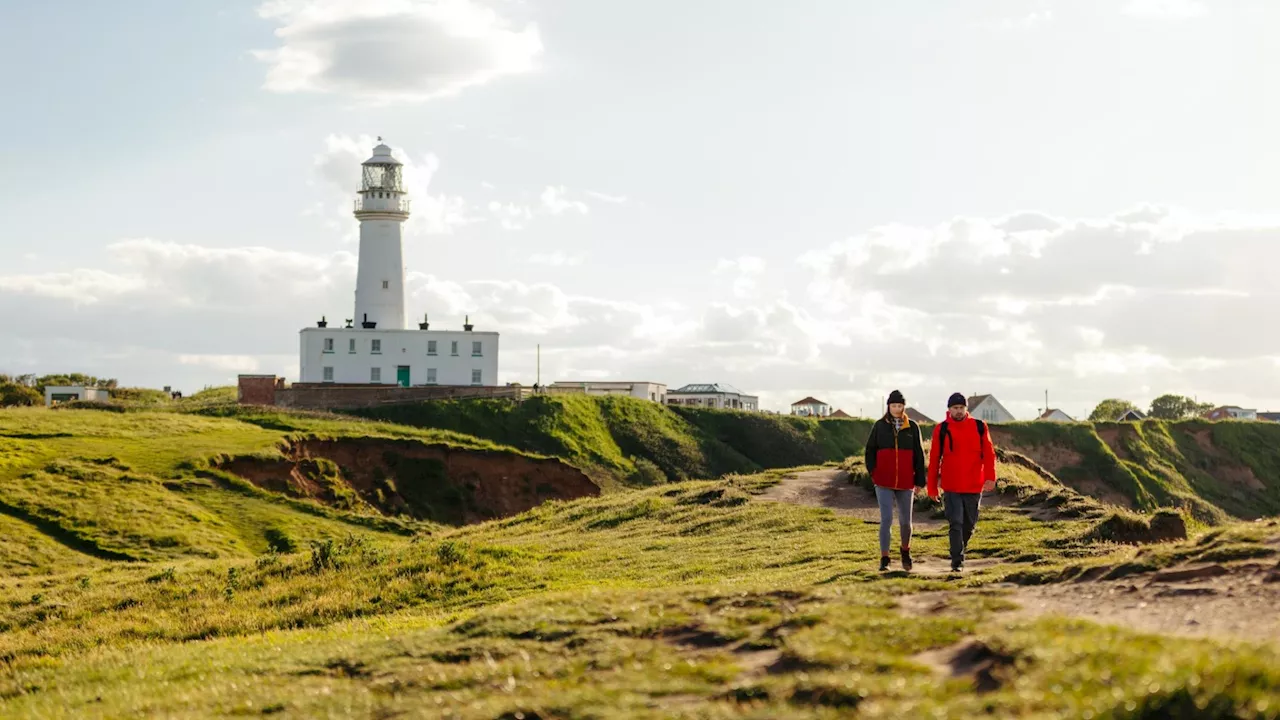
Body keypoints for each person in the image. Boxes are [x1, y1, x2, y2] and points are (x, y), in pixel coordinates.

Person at [927, 392, 997, 572]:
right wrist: (932, 487)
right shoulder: (941, 429)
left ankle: (959, 549)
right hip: (951, 485)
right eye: (955, 408)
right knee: (955, 522)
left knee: (969, 525)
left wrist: (990, 477)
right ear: (949, 410)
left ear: (966, 409)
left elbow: (989, 454)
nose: (958, 411)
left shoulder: (980, 426)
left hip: (974, 484)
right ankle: (957, 561)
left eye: (961, 408)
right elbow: (934, 459)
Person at [863, 389, 926, 572]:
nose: (897, 409)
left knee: (906, 521)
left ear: (904, 407)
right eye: (893, 406)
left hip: (906, 481)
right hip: (883, 481)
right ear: (888, 406)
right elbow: (870, 451)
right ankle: (885, 558)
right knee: (887, 519)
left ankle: (905, 552)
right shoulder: (879, 426)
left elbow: (919, 455)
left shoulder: (912, 427)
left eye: (899, 406)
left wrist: (920, 481)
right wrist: (874, 472)